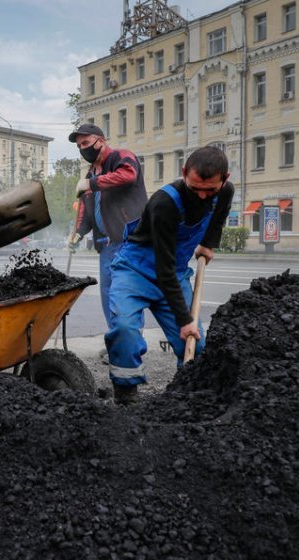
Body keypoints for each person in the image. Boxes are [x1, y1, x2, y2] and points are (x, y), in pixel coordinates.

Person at [105, 146, 234, 404]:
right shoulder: (165, 202)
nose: (201, 196)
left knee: (195, 346)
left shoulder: (225, 193)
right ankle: (126, 393)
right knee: (124, 328)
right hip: (136, 270)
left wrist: (208, 244)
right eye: (194, 187)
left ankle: (183, 393)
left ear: (224, 179)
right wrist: (185, 320)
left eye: (209, 190)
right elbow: (163, 270)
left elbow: (218, 218)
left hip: (174, 272)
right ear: (184, 172)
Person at [68, 124, 147, 330]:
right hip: (105, 245)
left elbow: (128, 175)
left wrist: (92, 184)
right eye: (79, 146)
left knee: (125, 297)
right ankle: (116, 342)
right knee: (108, 296)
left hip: (128, 242)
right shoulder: (90, 174)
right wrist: (76, 234)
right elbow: (85, 212)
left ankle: (131, 346)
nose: (83, 148)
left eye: (86, 143)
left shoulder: (121, 156)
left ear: (100, 141)